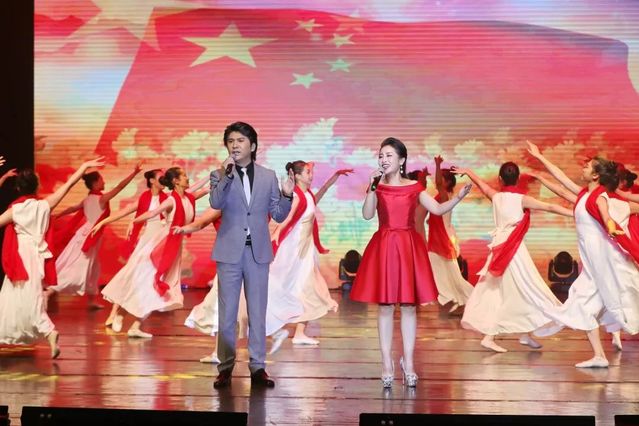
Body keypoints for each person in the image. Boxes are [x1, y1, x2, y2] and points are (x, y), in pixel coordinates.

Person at [350, 137, 472, 388]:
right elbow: (367, 214)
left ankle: (409, 362)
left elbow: (437, 209)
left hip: (407, 245)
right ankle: (386, 363)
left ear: (402, 160)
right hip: (385, 245)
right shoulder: (377, 186)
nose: (383, 160)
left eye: (389, 155)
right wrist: (371, 188)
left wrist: (458, 198)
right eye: (381, 155)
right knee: (385, 306)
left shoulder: (415, 187)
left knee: (408, 306)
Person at [527, 142, 639, 367]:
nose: (583, 167)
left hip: (604, 264)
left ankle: (599, 355)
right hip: (592, 267)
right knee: (582, 306)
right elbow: (561, 184)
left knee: (610, 301)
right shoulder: (584, 195)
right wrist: (539, 158)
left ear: (596, 175)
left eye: (588, 166)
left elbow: (606, 215)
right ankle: (599, 356)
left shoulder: (600, 196)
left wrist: (610, 225)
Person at [209, 122, 294, 389]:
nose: (235, 145)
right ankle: (225, 367)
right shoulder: (219, 174)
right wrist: (227, 176)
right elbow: (215, 202)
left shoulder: (268, 176)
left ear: (253, 145)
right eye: (231, 141)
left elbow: (278, 214)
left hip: (257, 252)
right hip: (229, 253)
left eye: (240, 140)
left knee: (258, 312)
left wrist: (287, 195)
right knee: (227, 314)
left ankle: (258, 367)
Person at [454, 162, 572, 353]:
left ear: (500, 179)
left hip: (500, 248)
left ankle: (523, 334)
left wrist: (468, 172)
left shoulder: (496, 196)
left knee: (509, 290)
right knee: (521, 289)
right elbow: (550, 206)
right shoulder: (521, 199)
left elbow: (481, 184)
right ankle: (491, 336)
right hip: (512, 250)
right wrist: (574, 213)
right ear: (517, 179)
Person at [0, 158, 105, 358]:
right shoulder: (45, 204)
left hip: (21, 255)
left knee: (22, 297)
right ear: (37, 186)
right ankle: (45, 332)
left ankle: (48, 330)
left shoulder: (15, 210)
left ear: (19, 188)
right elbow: (69, 184)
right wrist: (83, 167)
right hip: (37, 255)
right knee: (25, 296)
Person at [100, 167, 203, 337]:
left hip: (173, 247)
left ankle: (135, 326)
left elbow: (204, 187)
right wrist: (133, 221)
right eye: (184, 175)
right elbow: (151, 213)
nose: (188, 178)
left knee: (159, 290)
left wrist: (221, 175)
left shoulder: (186, 198)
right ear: (176, 181)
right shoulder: (169, 200)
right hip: (158, 245)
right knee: (143, 280)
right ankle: (119, 313)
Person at [267, 162, 351, 351]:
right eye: (307, 172)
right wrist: (276, 235)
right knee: (283, 285)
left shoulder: (308, 195)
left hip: (305, 249)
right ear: (297, 176)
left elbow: (321, 192)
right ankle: (269, 323)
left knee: (307, 288)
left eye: (311, 172)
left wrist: (335, 177)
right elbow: (286, 219)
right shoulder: (296, 195)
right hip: (294, 249)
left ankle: (299, 333)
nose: (311, 175)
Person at [48, 163, 142, 308]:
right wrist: (134, 173)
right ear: (95, 183)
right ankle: (50, 291)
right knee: (78, 267)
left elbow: (72, 208)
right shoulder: (101, 199)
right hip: (89, 235)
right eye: (101, 180)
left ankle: (91, 300)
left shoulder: (88, 199)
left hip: (87, 234)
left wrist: (59, 214)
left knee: (93, 267)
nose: (104, 182)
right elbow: (119, 187)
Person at [428, 156, 474, 313]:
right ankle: (454, 300)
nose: (438, 180)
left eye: (442, 177)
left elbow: (438, 183)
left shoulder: (444, 195)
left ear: (447, 182)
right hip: (439, 237)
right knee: (445, 273)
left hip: (443, 238)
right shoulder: (443, 196)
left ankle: (466, 299)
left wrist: (437, 165)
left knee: (451, 275)